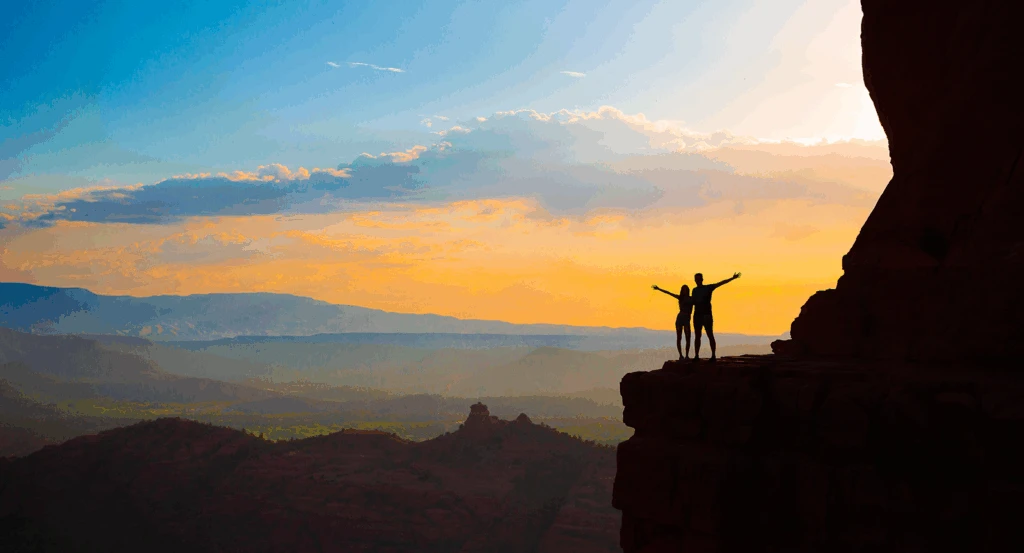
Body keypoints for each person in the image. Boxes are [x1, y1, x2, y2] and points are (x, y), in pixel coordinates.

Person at [690, 272, 741, 362]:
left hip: (706, 315)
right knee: (698, 336)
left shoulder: (708, 288)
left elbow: (721, 283)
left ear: (702, 279)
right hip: (698, 315)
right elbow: (693, 301)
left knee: (710, 335)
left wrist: (732, 278)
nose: (697, 281)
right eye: (696, 279)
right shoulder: (694, 290)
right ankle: (697, 355)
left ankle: (713, 355)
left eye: (699, 279)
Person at [651, 283, 693, 360]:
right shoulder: (680, 298)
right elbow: (669, 293)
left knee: (688, 337)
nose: (685, 291)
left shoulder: (691, 299)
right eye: (684, 290)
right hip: (680, 318)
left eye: (686, 290)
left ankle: (686, 355)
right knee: (679, 337)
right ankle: (681, 355)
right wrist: (659, 289)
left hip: (687, 319)